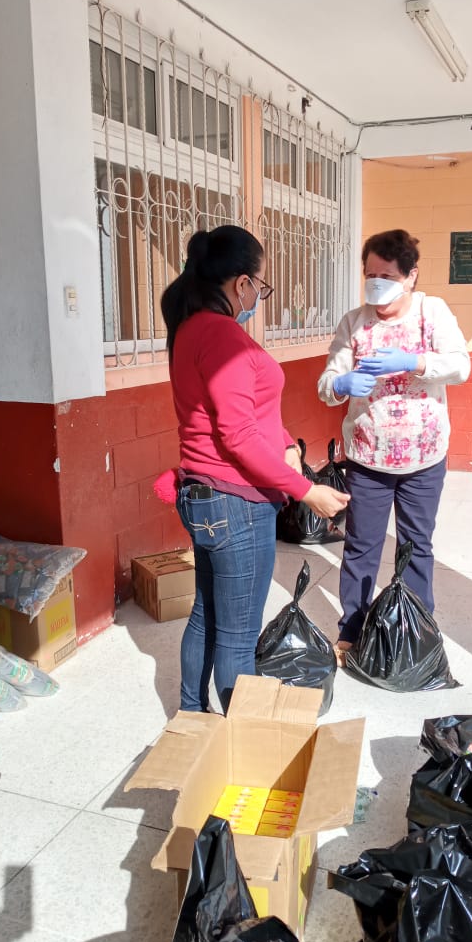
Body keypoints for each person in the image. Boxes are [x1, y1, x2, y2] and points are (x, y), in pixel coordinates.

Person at [162, 225, 349, 713]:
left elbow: (248, 416)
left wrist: (286, 443)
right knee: (238, 635)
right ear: (240, 283)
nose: (257, 297)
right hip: (236, 502)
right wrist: (307, 490)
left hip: (206, 495)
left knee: (206, 615)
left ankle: (192, 715)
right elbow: (238, 436)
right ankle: (238, 743)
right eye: (259, 285)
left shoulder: (190, 328)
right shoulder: (222, 335)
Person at [317, 228, 470, 665]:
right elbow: (327, 385)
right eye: (369, 274)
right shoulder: (355, 321)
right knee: (362, 546)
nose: (375, 284)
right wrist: (342, 383)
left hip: (424, 456)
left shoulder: (431, 312)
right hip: (367, 457)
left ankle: (416, 628)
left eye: (385, 275)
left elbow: (460, 366)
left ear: (410, 277)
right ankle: (351, 631)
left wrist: (415, 361)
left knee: (416, 544)